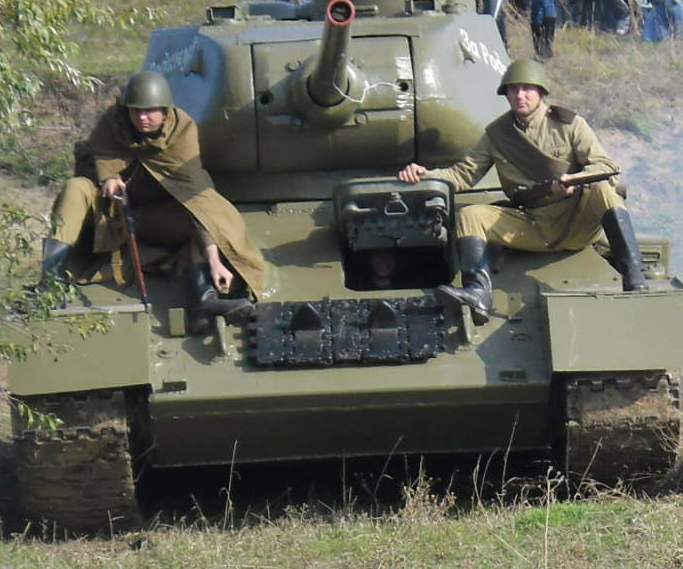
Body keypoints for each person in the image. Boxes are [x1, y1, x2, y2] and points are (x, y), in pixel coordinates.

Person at [398, 58, 647, 326]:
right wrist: (425, 175)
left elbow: (606, 166)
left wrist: (574, 179)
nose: (520, 95)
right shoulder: (497, 135)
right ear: (506, 94)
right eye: (514, 89)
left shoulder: (569, 125)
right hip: (533, 224)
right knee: (471, 215)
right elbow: (462, 175)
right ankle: (478, 292)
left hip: (577, 221)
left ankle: (634, 275)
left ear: (541, 92)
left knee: (604, 189)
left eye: (527, 89)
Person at [43, 71, 266, 332]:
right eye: (135, 111)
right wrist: (109, 178)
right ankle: (49, 281)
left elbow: (195, 197)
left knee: (208, 213)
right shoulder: (113, 124)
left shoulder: (181, 130)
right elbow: (101, 158)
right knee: (76, 188)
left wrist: (214, 262)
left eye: (150, 111)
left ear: (165, 110)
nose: (142, 118)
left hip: (162, 217)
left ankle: (203, 301)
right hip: (112, 215)